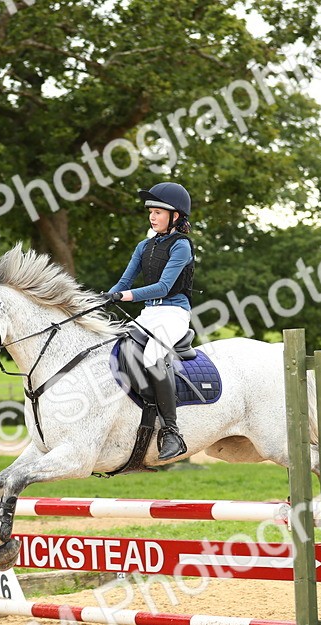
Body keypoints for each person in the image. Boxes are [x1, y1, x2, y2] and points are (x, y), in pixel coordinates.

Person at [105, 181, 195, 461]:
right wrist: (105, 297)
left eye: (158, 212)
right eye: (151, 212)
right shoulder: (144, 246)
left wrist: (124, 296)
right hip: (150, 314)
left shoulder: (181, 246)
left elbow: (164, 287)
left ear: (175, 216)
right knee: (116, 346)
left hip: (174, 313)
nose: (152, 217)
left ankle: (171, 431)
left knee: (154, 354)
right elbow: (123, 281)